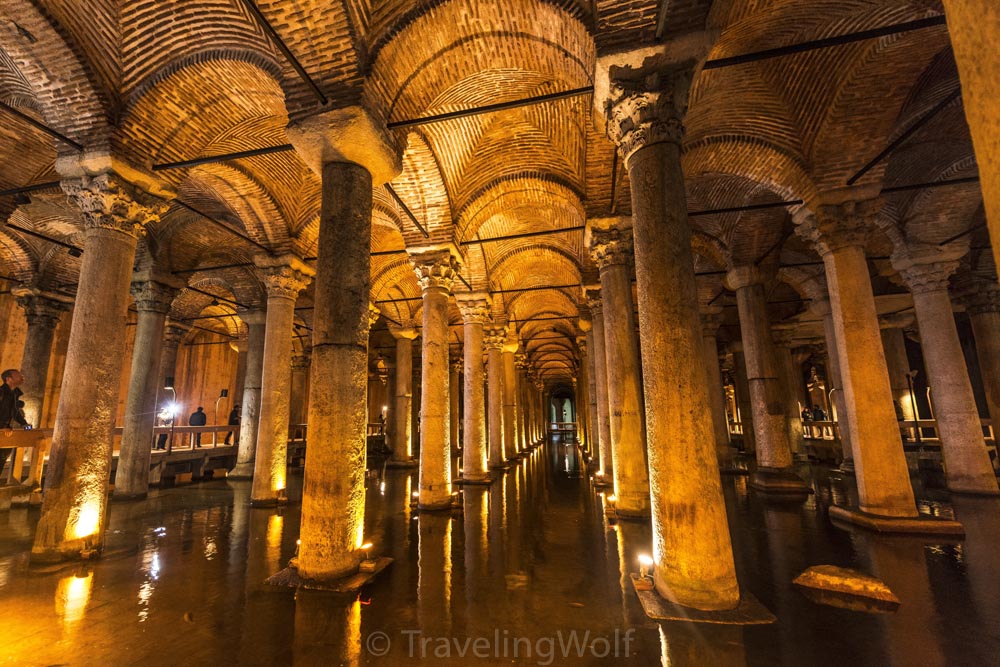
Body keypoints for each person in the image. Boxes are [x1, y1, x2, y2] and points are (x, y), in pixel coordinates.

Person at [0, 369, 27, 477]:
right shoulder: (1, 392)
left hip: (6, 431)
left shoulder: (14, 394)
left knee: (2, 458)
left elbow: (14, 411)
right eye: (18, 375)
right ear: (8, 379)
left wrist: (24, 424)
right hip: (3, 430)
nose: (21, 377)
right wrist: (3, 428)